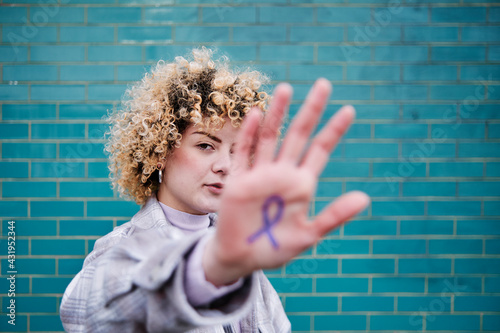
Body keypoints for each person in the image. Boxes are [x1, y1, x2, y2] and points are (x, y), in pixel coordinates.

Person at [59, 47, 370, 333]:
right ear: (160, 151)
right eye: (206, 145)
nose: (225, 165)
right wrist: (210, 267)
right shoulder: (120, 249)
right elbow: (86, 311)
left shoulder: (241, 251)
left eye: (237, 151)